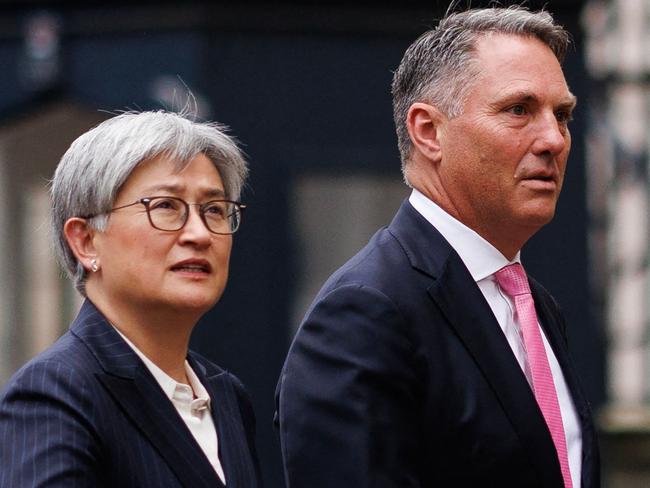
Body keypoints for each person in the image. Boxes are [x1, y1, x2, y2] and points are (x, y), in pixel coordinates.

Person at [276, 5, 600, 488]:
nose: (554, 139)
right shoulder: (365, 312)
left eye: (563, 115)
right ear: (428, 131)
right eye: (518, 110)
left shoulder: (535, 306)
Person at [0, 110, 261, 487]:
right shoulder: (54, 394)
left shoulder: (227, 396)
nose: (199, 234)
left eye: (214, 210)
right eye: (166, 206)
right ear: (86, 241)